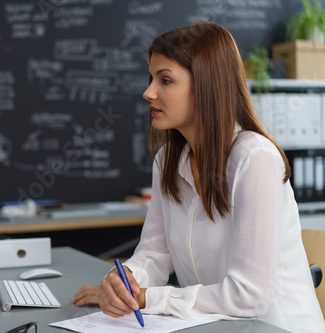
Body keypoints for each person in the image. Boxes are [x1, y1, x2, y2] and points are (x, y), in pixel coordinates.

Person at [72, 21, 325, 332]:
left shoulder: (255, 159)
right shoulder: (168, 160)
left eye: (165, 80)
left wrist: (150, 299)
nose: (148, 92)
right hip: (211, 326)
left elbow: (248, 297)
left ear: (207, 85)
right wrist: (125, 281)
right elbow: (154, 252)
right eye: (151, 78)